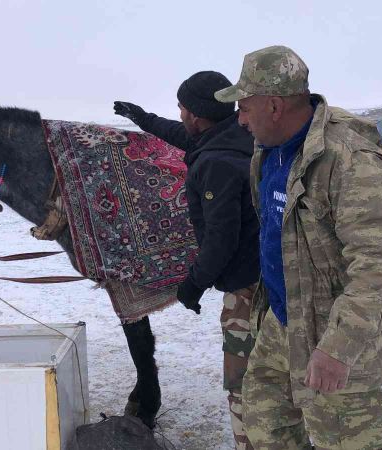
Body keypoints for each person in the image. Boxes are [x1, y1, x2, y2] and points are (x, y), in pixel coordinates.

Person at [214, 46, 382, 449]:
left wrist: (338, 348)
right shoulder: (268, 152)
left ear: (274, 105)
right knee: (267, 429)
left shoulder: (350, 160)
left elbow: (379, 265)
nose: (240, 119)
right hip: (281, 325)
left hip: (333, 339)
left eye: (245, 107)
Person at [114, 71, 260, 450]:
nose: (178, 115)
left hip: (246, 286)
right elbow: (182, 136)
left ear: (196, 115)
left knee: (244, 384)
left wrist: (193, 284)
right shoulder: (238, 132)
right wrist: (143, 118)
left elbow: (221, 238)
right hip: (266, 271)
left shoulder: (216, 163)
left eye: (181, 108)